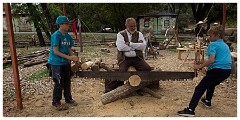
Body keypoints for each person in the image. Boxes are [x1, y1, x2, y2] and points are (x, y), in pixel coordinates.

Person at [177, 25, 232, 117]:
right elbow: (218, 58)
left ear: (217, 35)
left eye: (210, 36)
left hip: (217, 70)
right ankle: (207, 101)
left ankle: (190, 110)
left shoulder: (213, 44)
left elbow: (211, 60)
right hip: (227, 70)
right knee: (211, 84)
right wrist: (202, 62)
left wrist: (199, 66)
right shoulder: (225, 45)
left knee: (199, 88)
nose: (208, 37)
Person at [105, 18, 151, 93]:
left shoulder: (139, 34)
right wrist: (135, 47)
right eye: (131, 26)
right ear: (126, 26)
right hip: (125, 58)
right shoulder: (120, 34)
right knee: (122, 73)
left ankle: (138, 87)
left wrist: (130, 44)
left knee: (147, 69)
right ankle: (109, 88)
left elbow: (143, 46)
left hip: (137, 58)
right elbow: (121, 47)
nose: (133, 28)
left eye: (134, 26)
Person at [48, 16, 79, 111]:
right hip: (56, 63)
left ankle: (68, 99)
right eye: (66, 24)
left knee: (67, 81)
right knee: (59, 82)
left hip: (65, 62)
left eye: (68, 23)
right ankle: (56, 101)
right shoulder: (56, 35)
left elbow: (69, 49)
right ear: (60, 25)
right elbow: (56, 51)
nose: (68, 25)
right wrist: (69, 57)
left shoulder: (68, 36)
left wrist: (74, 57)